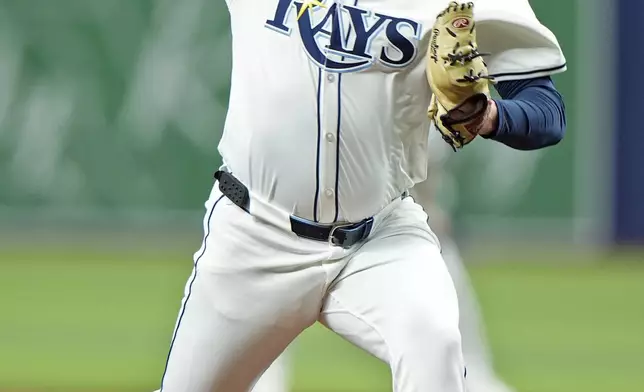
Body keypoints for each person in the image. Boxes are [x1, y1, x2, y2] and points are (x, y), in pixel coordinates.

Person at [157, 1, 567, 391]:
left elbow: (546, 111)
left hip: (380, 238)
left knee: (434, 341)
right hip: (254, 235)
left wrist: (489, 116)